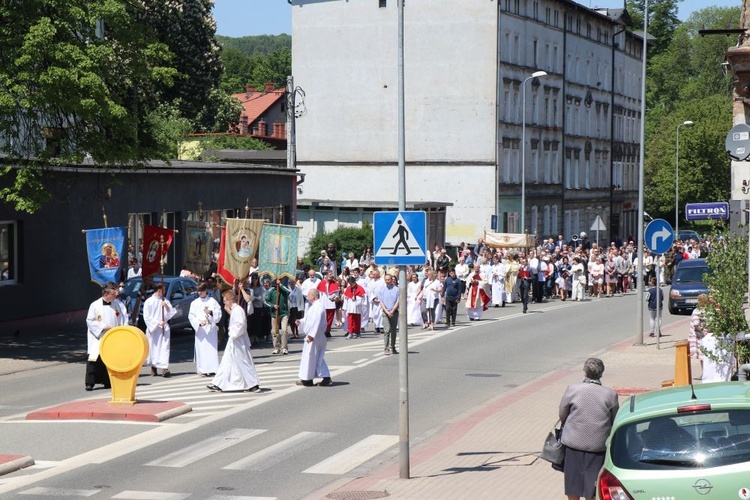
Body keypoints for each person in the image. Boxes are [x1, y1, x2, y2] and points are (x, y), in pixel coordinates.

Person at [559, 358, 619, 500]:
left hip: (573, 443)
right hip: (598, 447)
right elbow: (615, 419)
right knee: (593, 486)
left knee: (573, 483)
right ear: (601, 374)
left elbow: (562, 413)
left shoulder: (572, 389)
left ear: (585, 373)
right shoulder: (610, 395)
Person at [208, 290, 260, 392]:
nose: (224, 303)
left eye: (225, 301)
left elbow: (241, 324)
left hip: (238, 340)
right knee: (226, 361)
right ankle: (217, 383)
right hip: (233, 340)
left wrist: (231, 330)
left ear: (230, 300)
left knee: (243, 362)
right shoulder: (235, 310)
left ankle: (253, 384)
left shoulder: (238, 310)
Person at [85, 282, 128, 391]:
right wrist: (102, 326)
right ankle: (90, 383)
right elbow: (89, 320)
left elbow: (122, 319)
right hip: (98, 336)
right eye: (113, 294)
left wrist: (121, 330)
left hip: (112, 336)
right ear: (106, 294)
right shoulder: (95, 305)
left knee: (109, 360)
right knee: (94, 359)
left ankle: (108, 381)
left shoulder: (116, 304)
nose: (115, 296)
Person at [296, 289, 332, 386]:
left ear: (313, 296)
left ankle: (311, 379)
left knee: (312, 357)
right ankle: (308, 378)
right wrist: (301, 322)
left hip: (316, 336)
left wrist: (312, 335)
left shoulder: (318, 306)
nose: (307, 297)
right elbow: (308, 319)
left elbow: (316, 321)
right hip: (315, 336)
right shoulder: (314, 306)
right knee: (312, 358)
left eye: (308, 295)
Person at [143, 283, 176, 377]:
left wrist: (165, 306)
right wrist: (157, 322)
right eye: (163, 290)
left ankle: (165, 368)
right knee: (154, 347)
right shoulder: (149, 301)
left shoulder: (165, 300)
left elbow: (171, 312)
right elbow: (147, 317)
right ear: (158, 290)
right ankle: (154, 366)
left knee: (164, 348)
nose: (164, 292)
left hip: (164, 328)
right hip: (154, 329)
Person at [188, 282, 221, 377]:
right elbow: (191, 316)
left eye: (201, 291)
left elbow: (218, 313)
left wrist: (211, 313)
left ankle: (213, 368)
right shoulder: (194, 303)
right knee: (201, 349)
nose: (200, 293)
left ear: (205, 291)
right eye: (198, 291)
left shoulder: (212, 301)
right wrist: (198, 323)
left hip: (210, 329)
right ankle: (203, 369)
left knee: (211, 349)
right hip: (201, 330)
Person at [265, 278, 291, 355]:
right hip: (274, 313)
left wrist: (280, 285)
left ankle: (284, 347)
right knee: (275, 331)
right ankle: (276, 347)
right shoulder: (271, 291)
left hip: (284, 313)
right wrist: (273, 306)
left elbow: (288, 292)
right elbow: (266, 301)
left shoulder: (284, 289)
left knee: (284, 330)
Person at [378, 273, 400, 355]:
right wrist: (387, 311)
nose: (387, 281)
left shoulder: (397, 289)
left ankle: (393, 347)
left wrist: (393, 310)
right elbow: (381, 302)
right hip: (385, 312)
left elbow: (398, 301)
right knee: (386, 330)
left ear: (392, 280)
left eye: (389, 280)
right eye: (386, 280)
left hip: (394, 312)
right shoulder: (382, 290)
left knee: (393, 331)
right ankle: (386, 348)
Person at [317, 270, 340, 338]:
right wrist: (320, 302)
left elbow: (336, 293)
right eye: (330, 274)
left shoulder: (334, 283)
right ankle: (324, 330)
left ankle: (328, 331)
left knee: (330, 318)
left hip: (331, 302)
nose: (331, 275)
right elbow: (320, 294)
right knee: (324, 318)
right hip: (324, 302)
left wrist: (333, 298)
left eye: (331, 274)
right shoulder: (322, 283)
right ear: (326, 275)